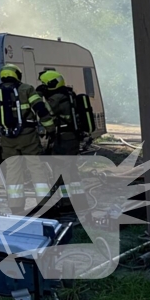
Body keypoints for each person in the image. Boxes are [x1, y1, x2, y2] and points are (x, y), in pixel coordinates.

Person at [0, 63, 56, 214]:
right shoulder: (27, 90)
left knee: (13, 171)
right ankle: (44, 205)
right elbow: (40, 110)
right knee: (36, 168)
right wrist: (50, 128)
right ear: (17, 75)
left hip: (8, 140)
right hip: (28, 137)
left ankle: (16, 207)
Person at [38, 69, 87, 205]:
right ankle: (79, 198)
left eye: (45, 84)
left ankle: (65, 201)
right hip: (72, 138)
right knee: (71, 168)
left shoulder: (57, 98)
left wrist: (38, 95)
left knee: (60, 171)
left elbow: (44, 110)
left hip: (64, 139)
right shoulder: (68, 93)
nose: (44, 87)